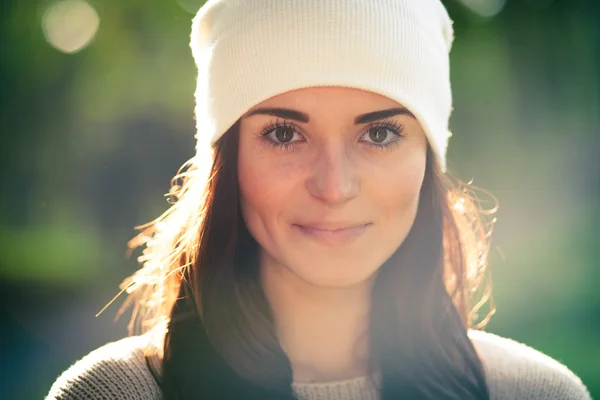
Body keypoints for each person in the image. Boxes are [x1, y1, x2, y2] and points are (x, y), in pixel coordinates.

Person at [46, 0, 592, 399]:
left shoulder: (538, 393)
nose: (334, 186)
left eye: (378, 134)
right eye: (285, 134)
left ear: (428, 157)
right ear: (227, 160)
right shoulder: (111, 394)